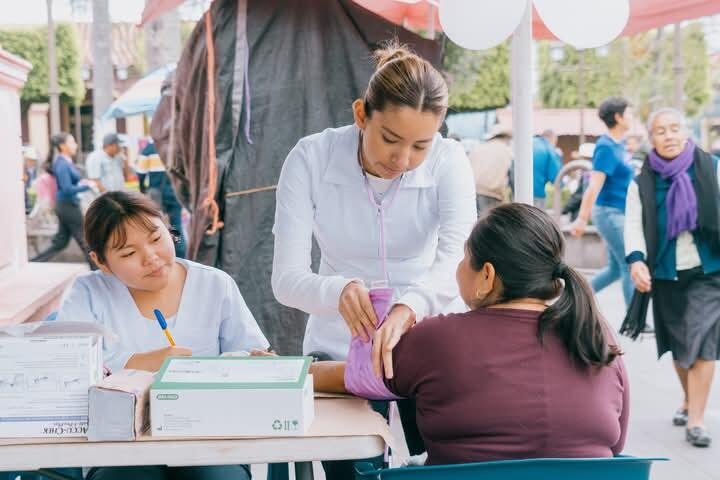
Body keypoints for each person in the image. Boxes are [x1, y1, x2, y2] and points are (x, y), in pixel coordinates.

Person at [271, 42, 476, 477]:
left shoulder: (449, 159)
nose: (402, 160)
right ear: (361, 114)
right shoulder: (311, 158)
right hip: (339, 348)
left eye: (421, 145)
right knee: (353, 471)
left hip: (429, 343)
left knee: (445, 470)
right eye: (390, 139)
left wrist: (412, 305)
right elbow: (286, 279)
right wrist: (337, 289)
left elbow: (457, 254)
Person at [310, 203, 629, 465]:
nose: (459, 268)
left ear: (487, 275)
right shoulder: (598, 338)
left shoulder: (438, 339)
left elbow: (351, 376)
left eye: (465, 258)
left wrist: (292, 369)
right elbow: (615, 446)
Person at [56, 191, 268, 480]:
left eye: (156, 239)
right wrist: (147, 362)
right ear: (101, 261)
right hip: (118, 446)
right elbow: (66, 372)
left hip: (207, 439)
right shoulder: (86, 294)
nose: (151, 258)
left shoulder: (215, 285)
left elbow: (252, 355)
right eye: (129, 253)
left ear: (168, 229)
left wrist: (255, 364)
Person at [625, 108, 720, 448]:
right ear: (651, 139)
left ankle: (696, 420)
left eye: (675, 128)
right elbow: (634, 224)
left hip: (709, 270)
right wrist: (636, 261)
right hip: (664, 273)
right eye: (661, 131)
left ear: (686, 131)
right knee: (680, 347)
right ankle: (688, 399)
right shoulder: (644, 181)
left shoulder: (711, 167)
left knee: (704, 342)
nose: (669, 135)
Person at [570, 97, 635, 306]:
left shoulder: (619, 144)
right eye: (629, 113)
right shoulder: (606, 147)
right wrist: (581, 219)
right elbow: (594, 185)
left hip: (618, 210)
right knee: (629, 263)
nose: (632, 117)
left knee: (616, 269)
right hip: (608, 212)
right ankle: (635, 321)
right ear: (618, 117)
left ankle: (573, 300)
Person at [31, 132, 96, 269]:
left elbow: (69, 185)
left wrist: (82, 183)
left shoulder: (66, 162)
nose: (75, 145)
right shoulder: (61, 163)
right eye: (72, 142)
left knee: (61, 242)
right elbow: (66, 189)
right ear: (62, 146)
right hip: (67, 205)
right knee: (84, 239)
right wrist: (86, 186)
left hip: (67, 204)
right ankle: (98, 269)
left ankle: (33, 263)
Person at [136, 140, 187, 258]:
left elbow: (140, 172)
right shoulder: (177, 147)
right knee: (176, 225)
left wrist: (142, 188)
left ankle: (160, 255)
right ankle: (180, 256)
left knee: (156, 226)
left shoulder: (149, 149)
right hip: (175, 192)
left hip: (155, 193)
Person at [468, 125, 512, 217]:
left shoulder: (479, 148)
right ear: (506, 137)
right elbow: (512, 175)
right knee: (490, 226)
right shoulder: (506, 150)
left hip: (472, 191)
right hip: (492, 193)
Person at [532, 129, 562, 209]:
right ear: (553, 139)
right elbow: (556, 177)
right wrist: (561, 185)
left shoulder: (530, 142)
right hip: (537, 192)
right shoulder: (548, 148)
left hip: (517, 189)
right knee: (537, 220)